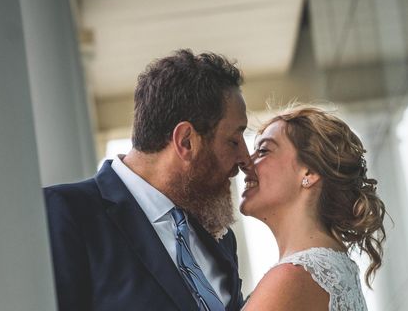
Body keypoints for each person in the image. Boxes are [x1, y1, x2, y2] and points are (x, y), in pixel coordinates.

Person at [44, 49, 250, 311]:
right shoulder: (64, 213)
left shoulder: (221, 238)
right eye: (233, 140)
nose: (246, 158)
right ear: (186, 140)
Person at [240, 106, 386, 311]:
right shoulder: (332, 268)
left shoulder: (293, 276)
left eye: (263, 150)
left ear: (309, 172)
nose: (246, 162)